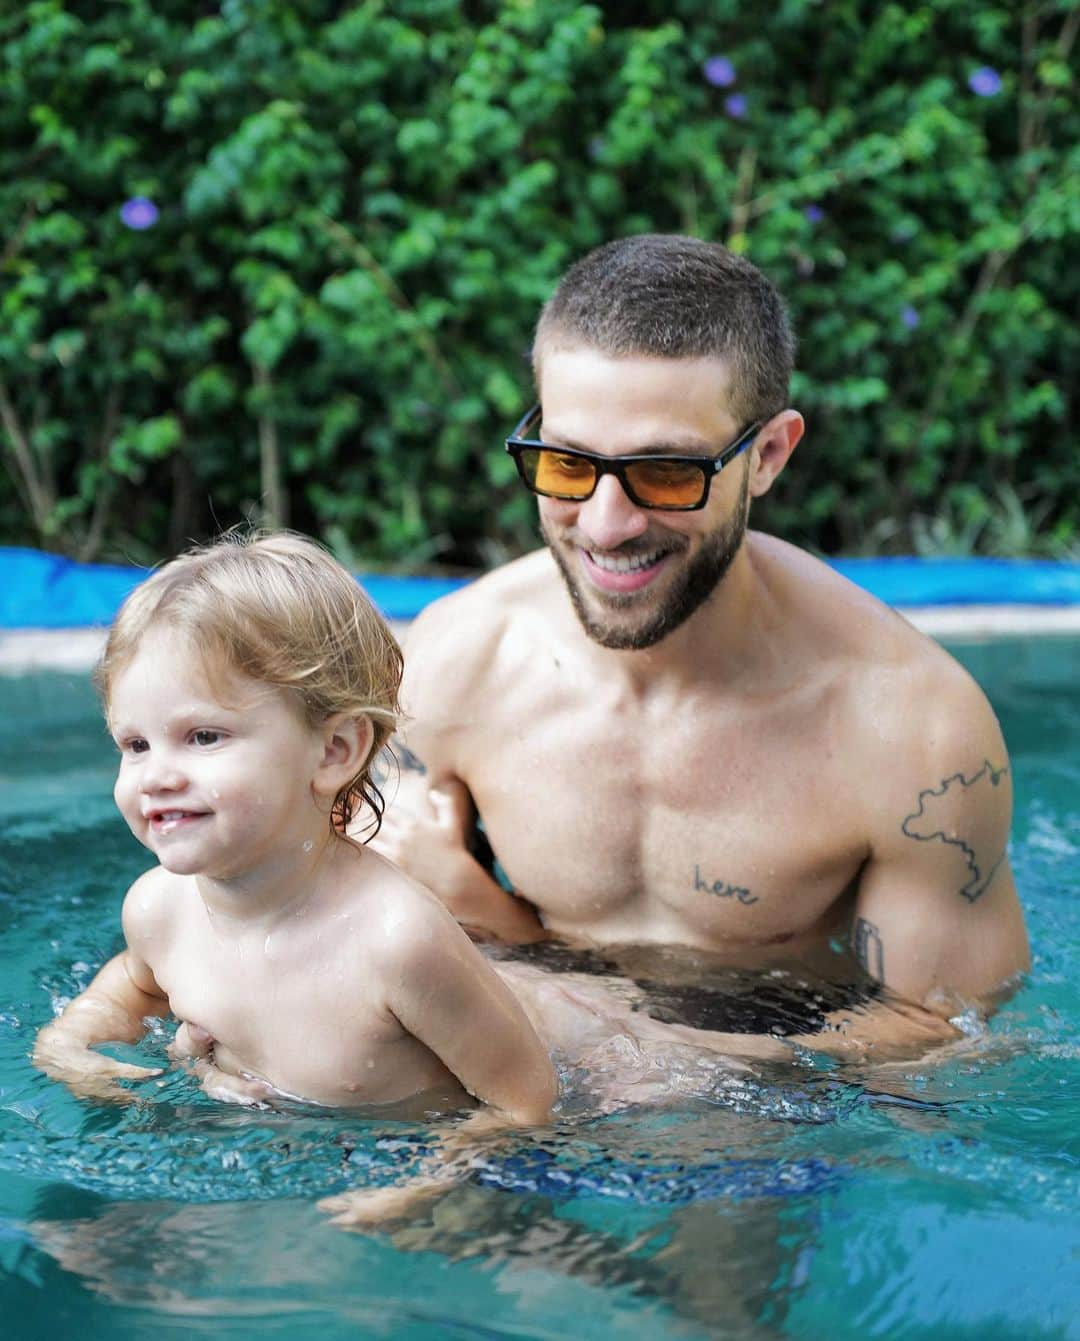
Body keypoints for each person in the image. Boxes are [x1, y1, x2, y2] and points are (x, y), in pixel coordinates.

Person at [371, 233, 1030, 1060]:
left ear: (768, 455)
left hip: (768, 1121)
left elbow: (948, 1034)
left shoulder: (913, 729)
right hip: (527, 1069)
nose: (607, 525)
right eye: (567, 464)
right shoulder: (457, 663)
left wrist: (625, 1045)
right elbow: (344, 929)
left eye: (668, 473)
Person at [32, 533, 747, 1179]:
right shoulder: (157, 907)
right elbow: (136, 980)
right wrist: (76, 1034)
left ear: (334, 750)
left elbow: (529, 1102)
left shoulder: (395, 942)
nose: (156, 774)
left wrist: (417, 1186)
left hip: (624, 1079)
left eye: (204, 737)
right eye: (135, 743)